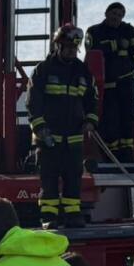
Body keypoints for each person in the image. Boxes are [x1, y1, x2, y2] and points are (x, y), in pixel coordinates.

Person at [26, 23, 99, 229]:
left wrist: (91, 120)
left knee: (73, 178)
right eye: (67, 47)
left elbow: (92, 100)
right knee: (49, 178)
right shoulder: (43, 70)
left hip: (74, 137)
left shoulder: (83, 72)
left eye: (75, 49)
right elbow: (33, 102)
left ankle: (72, 216)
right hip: (48, 137)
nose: (71, 52)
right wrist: (40, 127)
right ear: (58, 46)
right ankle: (49, 218)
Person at [86, 2, 134, 163]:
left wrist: (133, 61)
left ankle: (127, 152)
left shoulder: (129, 31)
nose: (116, 18)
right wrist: (114, 47)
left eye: (120, 15)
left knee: (127, 117)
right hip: (106, 85)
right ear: (106, 13)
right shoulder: (95, 31)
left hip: (126, 83)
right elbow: (93, 51)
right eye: (114, 13)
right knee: (110, 119)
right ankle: (111, 153)